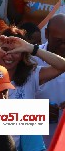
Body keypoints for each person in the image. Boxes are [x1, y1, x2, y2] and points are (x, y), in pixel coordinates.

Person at [36, 14, 65, 147]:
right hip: (34, 141)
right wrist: (36, 111)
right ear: (46, 34)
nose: (63, 46)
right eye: (59, 41)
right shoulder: (29, 59)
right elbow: (10, 97)